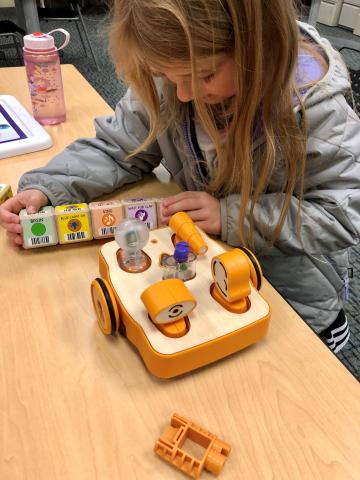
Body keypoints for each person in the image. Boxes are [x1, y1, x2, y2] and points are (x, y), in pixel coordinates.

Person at [0, 0, 359, 352]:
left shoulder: (319, 111)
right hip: (211, 281)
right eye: (166, 77)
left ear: (258, 46)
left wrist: (232, 215)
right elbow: (119, 145)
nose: (183, 94)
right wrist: (50, 188)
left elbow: (342, 214)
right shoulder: (174, 74)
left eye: (203, 75)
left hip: (295, 301)